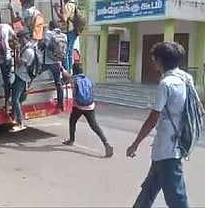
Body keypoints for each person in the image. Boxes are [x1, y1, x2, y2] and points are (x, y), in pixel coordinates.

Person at [126, 42, 201, 208]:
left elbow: (153, 119)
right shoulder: (186, 78)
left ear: (160, 61)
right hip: (171, 146)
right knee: (148, 191)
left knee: (177, 199)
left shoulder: (166, 84)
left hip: (168, 150)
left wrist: (135, 144)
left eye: (154, 58)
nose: (153, 62)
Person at [61, 63, 114, 157]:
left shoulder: (73, 79)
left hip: (78, 106)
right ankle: (106, 143)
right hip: (90, 105)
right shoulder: (87, 79)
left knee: (72, 121)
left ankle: (71, 140)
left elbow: (66, 77)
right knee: (94, 126)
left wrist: (61, 68)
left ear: (74, 71)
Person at [10, 34, 35, 132]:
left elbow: (19, 63)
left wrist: (17, 51)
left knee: (15, 99)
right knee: (18, 99)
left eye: (21, 39)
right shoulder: (27, 48)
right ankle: (14, 117)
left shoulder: (28, 51)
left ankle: (20, 123)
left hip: (22, 77)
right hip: (21, 76)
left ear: (26, 39)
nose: (20, 41)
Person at [42, 20, 67, 111]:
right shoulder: (64, 35)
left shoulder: (48, 34)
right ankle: (61, 104)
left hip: (48, 61)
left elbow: (45, 45)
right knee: (58, 83)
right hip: (57, 62)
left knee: (34, 74)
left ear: (50, 26)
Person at [54, 0, 79, 72]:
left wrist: (56, 10)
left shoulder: (68, 5)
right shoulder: (74, 4)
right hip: (74, 30)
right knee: (70, 51)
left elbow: (64, 19)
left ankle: (66, 71)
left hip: (69, 30)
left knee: (65, 52)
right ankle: (69, 70)